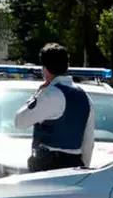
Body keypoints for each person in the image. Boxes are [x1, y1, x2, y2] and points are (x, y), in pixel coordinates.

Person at [14, 43, 95, 172]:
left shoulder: (49, 95)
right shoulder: (85, 97)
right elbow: (88, 143)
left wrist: (38, 93)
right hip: (75, 167)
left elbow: (19, 121)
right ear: (67, 66)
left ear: (44, 69)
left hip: (48, 167)